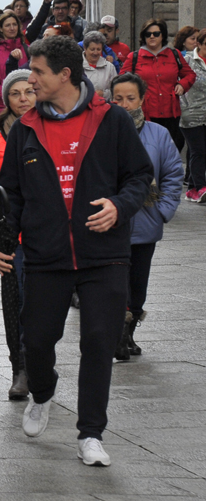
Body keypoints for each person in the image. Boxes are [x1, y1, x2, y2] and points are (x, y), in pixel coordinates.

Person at [0, 36, 154, 467]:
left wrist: (119, 207)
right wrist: (2, 244)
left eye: (38, 72)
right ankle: (43, 393)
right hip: (46, 256)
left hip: (104, 254)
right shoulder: (26, 127)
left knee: (100, 341)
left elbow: (140, 176)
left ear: (65, 75)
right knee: (39, 341)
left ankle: (90, 433)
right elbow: (8, 195)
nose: (30, 79)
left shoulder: (112, 120)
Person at [108, 73, 182, 361]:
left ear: (141, 99)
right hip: (110, 224)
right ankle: (118, 334)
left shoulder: (158, 134)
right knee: (115, 284)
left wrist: (163, 211)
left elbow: (174, 174)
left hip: (146, 222)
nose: (124, 104)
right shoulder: (103, 131)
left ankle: (129, 332)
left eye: (130, 98)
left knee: (138, 285)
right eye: (118, 98)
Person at [0, 69, 35, 400]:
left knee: (42, 305)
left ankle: (38, 361)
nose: (23, 99)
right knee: (13, 302)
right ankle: (19, 367)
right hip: (9, 234)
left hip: (47, 232)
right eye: (15, 93)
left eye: (29, 91)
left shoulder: (50, 128)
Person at [120, 19, 196, 152]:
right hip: (146, 114)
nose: (152, 37)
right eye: (148, 34)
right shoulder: (134, 57)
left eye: (156, 33)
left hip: (171, 114)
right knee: (149, 151)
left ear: (163, 35)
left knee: (173, 149)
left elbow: (190, 75)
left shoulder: (174, 54)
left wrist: (182, 85)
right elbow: (121, 81)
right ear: (143, 37)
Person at [182, 30, 206, 202]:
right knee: (199, 150)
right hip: (191, 113)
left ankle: (191, 188)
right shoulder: (187, 60)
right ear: (199, 44)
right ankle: (201, 188)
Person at [82, 31, 117, 98]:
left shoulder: (109, 67)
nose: (95, 53)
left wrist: (103, 94)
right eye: (92, 49)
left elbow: (116, 90)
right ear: (85, 48)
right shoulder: (77, 66)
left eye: (98, 49)